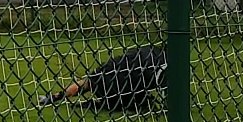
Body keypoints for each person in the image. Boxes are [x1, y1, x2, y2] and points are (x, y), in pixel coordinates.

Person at [36, 44, 167, 113]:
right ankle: (58, 98)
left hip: (125, 79)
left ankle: (55, 97)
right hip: (120, 85)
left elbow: (85, 84)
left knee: (92, 83)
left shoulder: (152, 57)